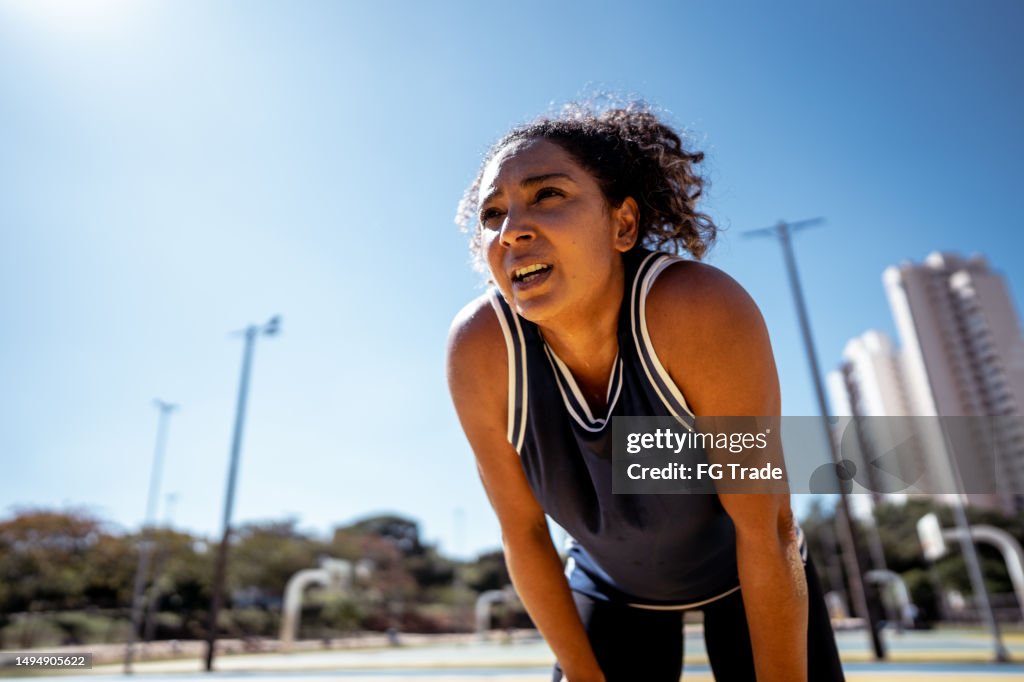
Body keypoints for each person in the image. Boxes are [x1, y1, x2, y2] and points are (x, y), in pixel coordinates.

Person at [446, 102, 844, 682]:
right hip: (612, 587)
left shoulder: (696, 310)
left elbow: (768, 530)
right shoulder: (481, 348)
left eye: (548, 194)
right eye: (493, 214)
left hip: (749, 574)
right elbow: (523, 532)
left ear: (623, 224)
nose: (511, 231)